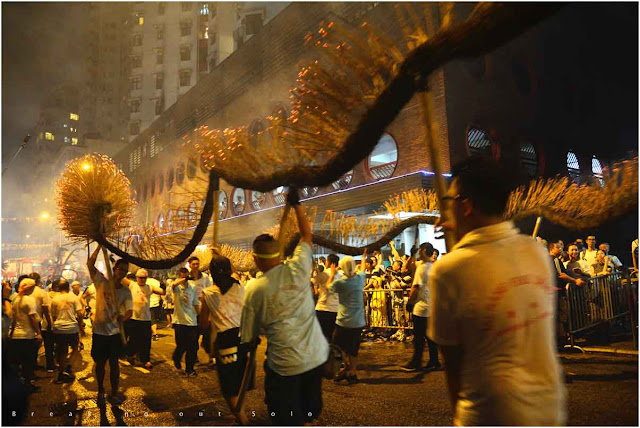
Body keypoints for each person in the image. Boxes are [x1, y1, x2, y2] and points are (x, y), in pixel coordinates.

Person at [429, 155, 566, 425]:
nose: (448, 209)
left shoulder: (448, 271)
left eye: (450, 200)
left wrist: (459, 418)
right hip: (550, 407)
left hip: (490, 413)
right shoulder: (536, 251)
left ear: (465, 206)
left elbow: (453, 365)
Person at [240, 188, 328, 426]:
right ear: (278, 254)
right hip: (315, 357)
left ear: (256, 259)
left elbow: (248, 335)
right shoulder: (299, 268)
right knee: (310, 412)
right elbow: (306, 236)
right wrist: (297, 205)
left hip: (285, 366)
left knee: (285, 418)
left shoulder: (255, 289)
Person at [200, 253, 250, 425]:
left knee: (229, 387)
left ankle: (243, 420)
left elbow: (204, 325)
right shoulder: (241, 287)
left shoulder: (207, 294)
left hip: (226, 341)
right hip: (244, 339)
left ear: (212, 273)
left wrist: (212, 315)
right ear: (229, 271)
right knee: (240, 382)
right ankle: (241, 416)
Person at [87, 245, 133, 404]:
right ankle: (100, 389)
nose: (122, 272)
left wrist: (123, 318)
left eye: (125, 270)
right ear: (114, 268)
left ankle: (114, 391)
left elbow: (129, 311)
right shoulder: (101, 282)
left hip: (114, 333)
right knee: (99, 364)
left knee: (114, 365)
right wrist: (100, 245)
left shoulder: (125, 291)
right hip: (99, 331)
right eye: (120, 269)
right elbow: (90, 264)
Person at [328, 252, 367, 384]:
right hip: (357, 321)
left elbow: (328, 288)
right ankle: (353, 373)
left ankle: (346, 368)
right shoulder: (360, 279)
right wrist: (363, 257)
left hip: (343, 321)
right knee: (354, 348)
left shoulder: (340, 283)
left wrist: (333, 274)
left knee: (338, 347)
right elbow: (362, 269)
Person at [403, 242, 440, 372]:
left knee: (418, 337)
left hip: (420, 307)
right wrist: (412, 255)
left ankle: (416, 361)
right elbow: (407, 267)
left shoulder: (422, 267)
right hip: (430, 306)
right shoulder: (433, 266)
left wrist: (409, 302)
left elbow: (415, 288)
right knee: (430, 337)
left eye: (419, 251)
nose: (418, 253)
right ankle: (434, 361)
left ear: (423, 251)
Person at [125, 269, 165, 369]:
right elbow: (121, 279)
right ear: (137, 278)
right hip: (134, 317)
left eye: (144, 278)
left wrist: (163, 285)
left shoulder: (149, 287)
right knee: (134, 340)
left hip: (146, 318)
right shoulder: (132, 285)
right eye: (140, 278)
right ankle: (129, 354)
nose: (142, 280)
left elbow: (161, 291)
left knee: (146, 340)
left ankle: (145, 360)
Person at [9, 278, 42, 392]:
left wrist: (12, 332)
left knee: (18, 362)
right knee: (28, 362)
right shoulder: (29, 299)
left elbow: (13, 319)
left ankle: (18, 385)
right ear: (31, 287)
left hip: (16, 336)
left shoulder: (15, 299)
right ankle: (27, 385)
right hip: (27, 336)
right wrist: (38, 333)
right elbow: (33, 318)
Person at [50, 279, 84, 383]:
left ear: (58, 288)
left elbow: (54, 316)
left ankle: (61, 372)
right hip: (71, 328)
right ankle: (68, 364)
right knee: (75, 349)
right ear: (69, 287)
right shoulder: (74, 298)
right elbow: (80, 314)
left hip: (59, 328)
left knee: (61, 352)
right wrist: (80, 327)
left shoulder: (55, 299)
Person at [170, 267, 201, 377]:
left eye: (186, 275)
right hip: (180, 322)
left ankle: (190, 369)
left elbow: (196, 303)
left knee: (192, 347)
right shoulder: (176, 287)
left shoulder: (192, 287)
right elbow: (173, 285)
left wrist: (199, 315)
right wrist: (183, 279)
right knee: (181, 346)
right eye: (183, 276)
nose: (186, 278)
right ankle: (176, 357)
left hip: (192, 322)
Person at [28, 272, 54, 372]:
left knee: (30, 345)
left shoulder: (22, 293)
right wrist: (49, 322)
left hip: (25, 322)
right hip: (37, 321)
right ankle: (50, 366)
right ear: (38, 280)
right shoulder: (41, 293)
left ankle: (31, 366)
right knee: (47, 344)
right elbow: (45, 309)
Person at [315, 254, 339, 342]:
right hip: (335, 308)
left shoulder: (324, 274)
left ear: (329, 262)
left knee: (321, 335)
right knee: (331, 335)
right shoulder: (340, 275)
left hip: (322, 307)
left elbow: (313, 281)